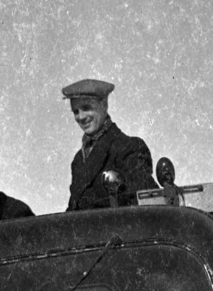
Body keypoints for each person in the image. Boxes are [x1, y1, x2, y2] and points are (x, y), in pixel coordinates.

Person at [62, 78, 157, 211]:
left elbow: (148, 207)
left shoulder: (129, 148)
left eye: (86, 108)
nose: (81, 117)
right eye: (76, 111)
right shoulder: (78, 160)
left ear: (104, 105)